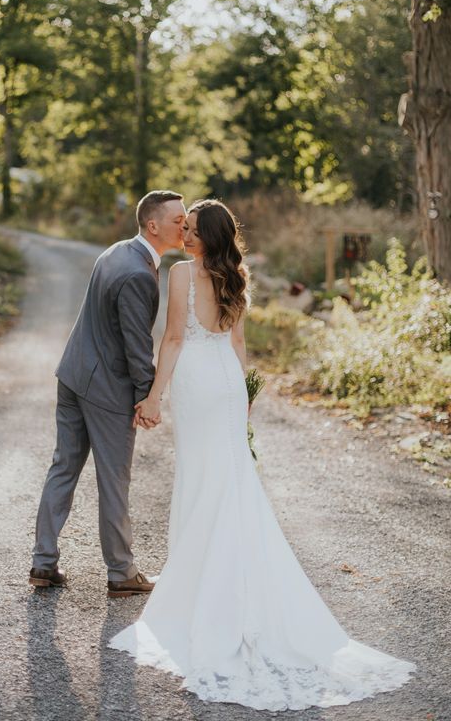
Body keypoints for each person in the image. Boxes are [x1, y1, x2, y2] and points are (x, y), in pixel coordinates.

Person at [109, 199, 415, 711]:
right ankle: (229, 584)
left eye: (192, 230)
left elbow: (175, 338)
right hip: (227, 386)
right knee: (231, 481)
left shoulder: (182, 275)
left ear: (208, 236)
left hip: (198, 387)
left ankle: (203, 599)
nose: (184, 235)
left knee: (204, 481)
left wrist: (154, 395)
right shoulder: (236, 275)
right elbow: (238, 342)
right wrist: (244, 398)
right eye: (183, 228)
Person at [29, 190, 186, 597]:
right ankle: (121, 572)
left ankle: (43, 563)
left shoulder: (116, 251)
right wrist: (146, 399)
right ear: (153, 225)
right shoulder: (138, 273)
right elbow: (137, 346)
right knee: (114, 480)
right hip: (106, 390)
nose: (184, 226)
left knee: (63, 467)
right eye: (177, 220)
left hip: (73, 374)